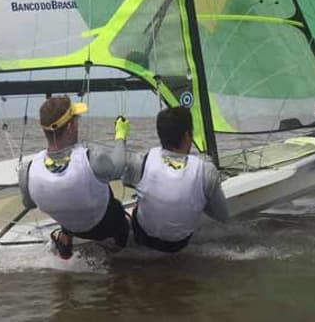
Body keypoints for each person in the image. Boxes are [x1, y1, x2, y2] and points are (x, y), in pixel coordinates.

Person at [18, 96, 130, 259]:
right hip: (107, 227)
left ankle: (65, 239)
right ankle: (120, 250)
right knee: (115, 208)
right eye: (77, 120)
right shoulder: (92, 159)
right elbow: (119, 167)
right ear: (70, 126)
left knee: (62, 194)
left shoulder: (27, 170)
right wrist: (121, 135)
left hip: (71, 225)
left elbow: (29, 204)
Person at [123, 106, 229, 253]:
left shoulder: (141, 160)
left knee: (138, 199)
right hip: (178, 245)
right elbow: (222, 215)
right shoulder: (206, 170)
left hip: (143, 238)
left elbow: (126, 182)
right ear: (187, 135)